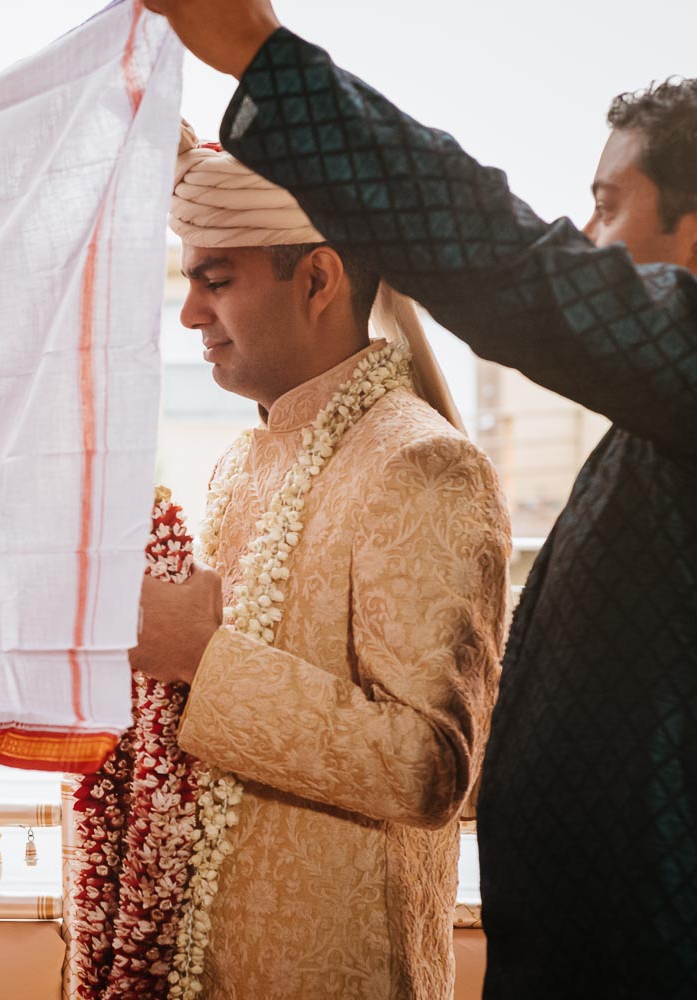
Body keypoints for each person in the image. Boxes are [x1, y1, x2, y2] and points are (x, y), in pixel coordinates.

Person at [144, 1, 697, 994]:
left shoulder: (440, 459)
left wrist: (262, 59)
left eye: (607, 206)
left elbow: (511, 265)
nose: (585, 239)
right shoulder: (673, 434)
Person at [129, 126, 509, 998]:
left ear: (319, 279)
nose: (189, 312)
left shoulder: (422, 464)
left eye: (215, 280)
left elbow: (428, 769)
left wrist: (201, 656)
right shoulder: (240, 460)